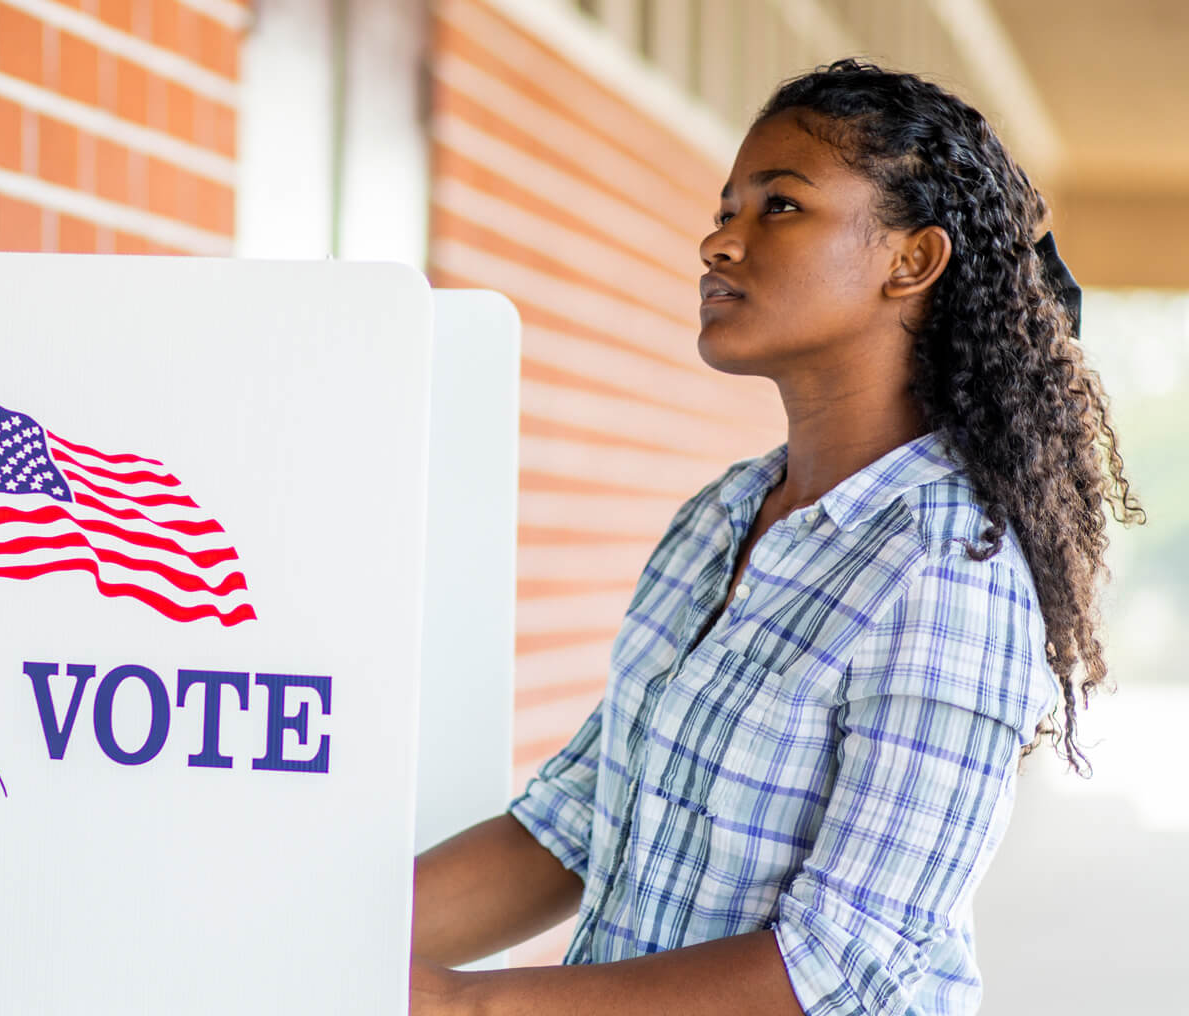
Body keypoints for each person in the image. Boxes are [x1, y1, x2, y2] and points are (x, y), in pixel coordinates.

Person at [407, 58, 1144, 1016]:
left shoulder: (947, 571)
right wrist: (303, 935)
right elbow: (575, 826)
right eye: (726, 209)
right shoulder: (718, 519)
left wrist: (459, 1004)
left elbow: (839, 963)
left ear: (911, 261)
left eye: (781, 206)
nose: (719, 241)